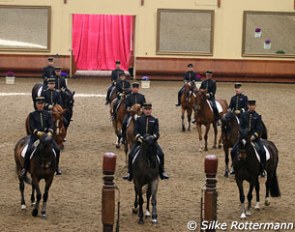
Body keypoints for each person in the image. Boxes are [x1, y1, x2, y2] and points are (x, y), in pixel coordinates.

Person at [123, 103, 169, 181]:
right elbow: (135, 131)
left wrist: (153, 137)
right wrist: (138, 137)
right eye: (146, 110)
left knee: (161, 154)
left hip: (151, 143)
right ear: (143, 110)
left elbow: (157, 132)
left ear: (151, 110)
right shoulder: (139, 119)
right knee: (131, 155)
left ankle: (162, 172)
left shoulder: (155, 120)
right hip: (140, 142)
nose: (148, 111)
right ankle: (130, 173)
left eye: (149, 110)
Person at [21, 96, 61, 177]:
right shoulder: (32, 115)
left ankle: (56, 167)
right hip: (36, 137)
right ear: (36, 105)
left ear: (43, 105)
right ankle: (24, 168)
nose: (40, 105)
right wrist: (38, 132)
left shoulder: (48, 114)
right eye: (39, 104)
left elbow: (51, 124)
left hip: (46, 136)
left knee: (57, 149)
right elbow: (32, 126)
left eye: (42, 104)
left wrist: (50, 132)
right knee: (29, 150)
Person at [231, 100, 266, 176]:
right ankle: (233, 167)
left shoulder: (258, 116)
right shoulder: (243, 115)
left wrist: (254, 136)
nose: (251, 107)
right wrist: (245, 135)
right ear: (248, 106)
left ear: (255, 106)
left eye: (253, 105)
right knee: (233, 150)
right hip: (243, 138)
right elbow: (240, 127)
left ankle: (262, 169)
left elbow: (259, 128)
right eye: (250, 105)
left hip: (254, 138)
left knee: (262, 151)